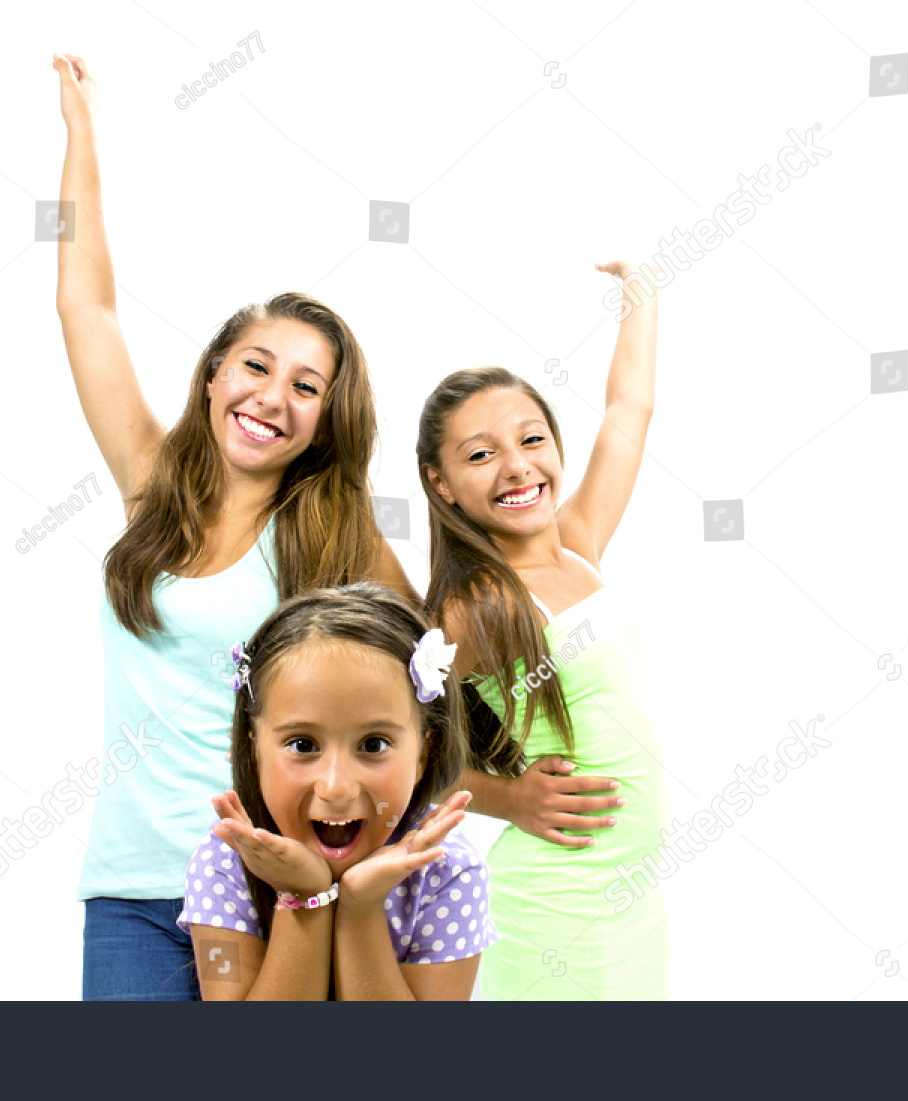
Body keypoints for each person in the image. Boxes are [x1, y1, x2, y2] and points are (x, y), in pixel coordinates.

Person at [51, 53, 416, 1001]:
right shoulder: (152, 484)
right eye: (255, 366)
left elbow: (434, 684)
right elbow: (85, 306)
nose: (271, 397)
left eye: (306, 386)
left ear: (327, 419)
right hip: (132, 892)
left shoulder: (334, 540)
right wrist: (81, 135)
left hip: (273, 883)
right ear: (214, 374)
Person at [417, 260, 667, 999]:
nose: (516, 466)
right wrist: (509, 798)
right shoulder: (479, 605)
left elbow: (630, 410)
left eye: (530, 439)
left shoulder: (579, 543)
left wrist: (642, 289)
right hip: (561, 907)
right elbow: (403, 755)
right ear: (442, 483)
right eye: (480, 454)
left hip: (633, 903)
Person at [177, 583, 498, 1000]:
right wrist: (304, 897)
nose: (335, 786)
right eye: (303, 745)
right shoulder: (226, 862)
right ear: (253, 749)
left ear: (425, 752)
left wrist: (361, 911)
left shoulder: (445, 869)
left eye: (373, 745)